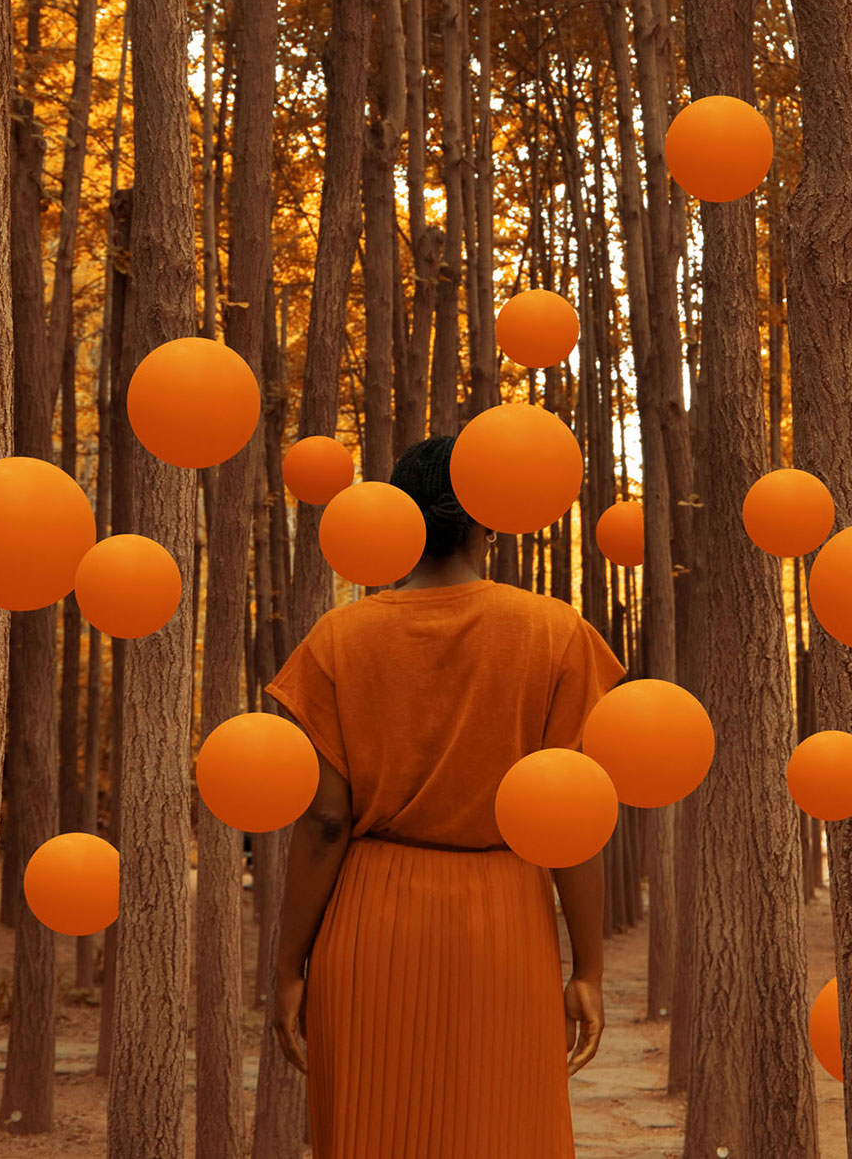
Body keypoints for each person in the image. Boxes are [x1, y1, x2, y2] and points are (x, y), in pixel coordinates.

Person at [264, 433, 625, 1159]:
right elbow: (572, 816)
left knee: (372, 1132)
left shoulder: (338, 638)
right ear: (485, 519)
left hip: (370, 923)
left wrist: (287, 966)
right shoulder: (556, 633)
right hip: (505, 922)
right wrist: (586, 966)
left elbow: (327, 820)